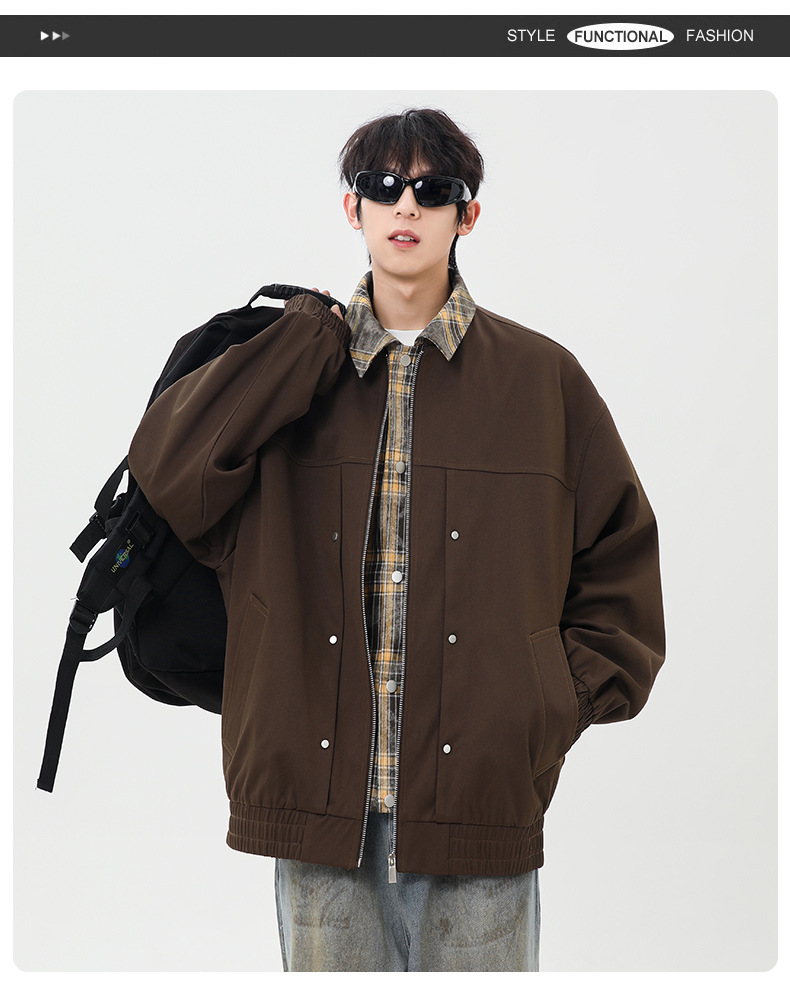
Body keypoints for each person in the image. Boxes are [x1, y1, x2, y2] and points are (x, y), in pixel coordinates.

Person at [127, 107, 666, 973]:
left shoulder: (544, 381)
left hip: (479, 803)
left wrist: (543, 707)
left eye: (433, 188)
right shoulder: (292, 367)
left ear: (467, 215)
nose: (406, 204)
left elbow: (619, 555)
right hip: (318, 803)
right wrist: (300, 340)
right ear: (354, 208)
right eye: (383, 186)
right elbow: (170, 474)